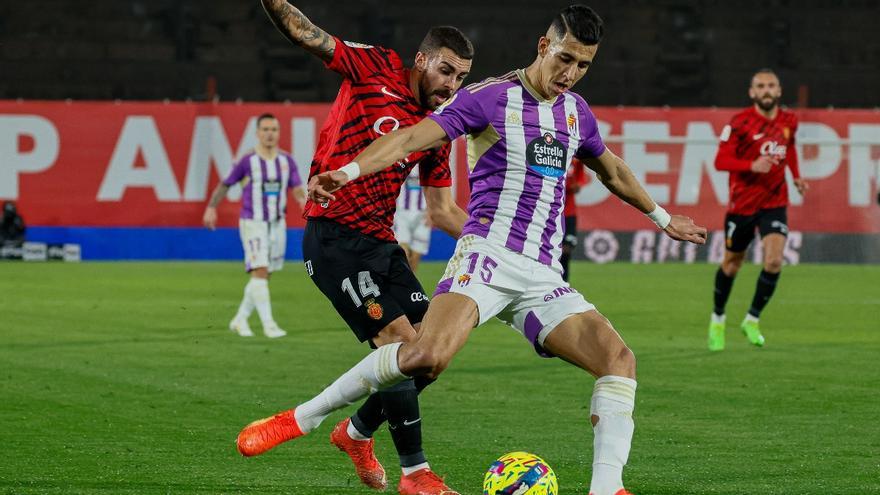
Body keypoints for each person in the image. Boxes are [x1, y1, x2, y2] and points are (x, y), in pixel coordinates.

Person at [238, 6, 707, 495]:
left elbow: (612, 170)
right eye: (565, 58)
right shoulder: (488, 97)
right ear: (544, 47)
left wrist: (664, 218)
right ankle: (307, 420)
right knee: (422, 355)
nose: (570, 74)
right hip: (485, 257)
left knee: (619, 360)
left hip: (543, 273)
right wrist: (350, 172)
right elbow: (411, 138)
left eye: (584, 65)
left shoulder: (576, 113)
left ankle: (607, 488)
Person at [254, 2, 472, 494]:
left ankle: (355, 433)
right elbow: (309, 35)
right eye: (446, 71)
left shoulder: (436, 131)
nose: (451, 86)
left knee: (430, 354)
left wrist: (502, 245)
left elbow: (442, 210)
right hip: (334, 238)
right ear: (421, 60)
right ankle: (416, 474)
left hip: (380, 243)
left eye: (460, 78)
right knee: (399, 344)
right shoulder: (373, 65)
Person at [707, 68, 808, 351]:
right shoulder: (739, 123)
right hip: (742, 205)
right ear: (752, 92)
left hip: (775, 203)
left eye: (771, 85)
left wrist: (796, 176)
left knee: (774, 261)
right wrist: (751, 165)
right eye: (760, 86)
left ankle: (752, 319)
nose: (766, 90)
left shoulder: (789, 120)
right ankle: (718, 317)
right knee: (731, 264)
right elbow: (720, 161)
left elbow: (790, 149)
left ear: (778, 91)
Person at [202, 113, 306, 339]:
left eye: (274, 129)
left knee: (264, 274)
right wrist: (211, 207)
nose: (270, 133)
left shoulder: (286, 161)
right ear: (257, 133)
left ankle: (239, 320)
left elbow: (297, 189)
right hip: (253, 222)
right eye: (265, 129)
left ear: (279, 133)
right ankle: (269, 325)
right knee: (260, 270)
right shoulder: (247, 161)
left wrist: (306, 205)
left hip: (277, 224)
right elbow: (225, 184)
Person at [393, 165, 432, 272]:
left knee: (416, 256)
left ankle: (411, 283)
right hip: (401, 214)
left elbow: (434, 188)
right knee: (402, 251)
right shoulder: (401, 162)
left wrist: (431, 211)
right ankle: (400, 281)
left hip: (422, 215)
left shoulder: (428, 164)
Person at [561, 158, 588, 281]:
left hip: (569, 213)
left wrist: (577, 185)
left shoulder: (576, 161)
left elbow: (579, 181)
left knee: (566, 250)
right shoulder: (552, 158)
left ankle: (564, 283)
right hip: (554, 212)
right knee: (554, 251)